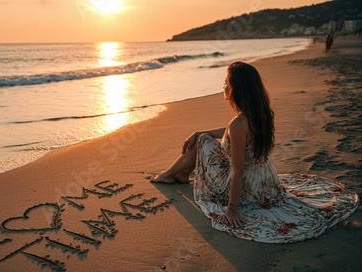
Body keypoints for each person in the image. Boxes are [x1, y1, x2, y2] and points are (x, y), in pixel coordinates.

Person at [151, 62, 359, 243]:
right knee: (202, 135)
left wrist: (232, 208)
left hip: (243, 187)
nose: (223, 86)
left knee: (203, 140)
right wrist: (199, 130)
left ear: (236, 89)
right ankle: (180, 174)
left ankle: (169, 175)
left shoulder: (238, 123)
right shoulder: (260, 113)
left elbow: (238, 170)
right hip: (264, 179)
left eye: (226, 83)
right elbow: (232, 136)